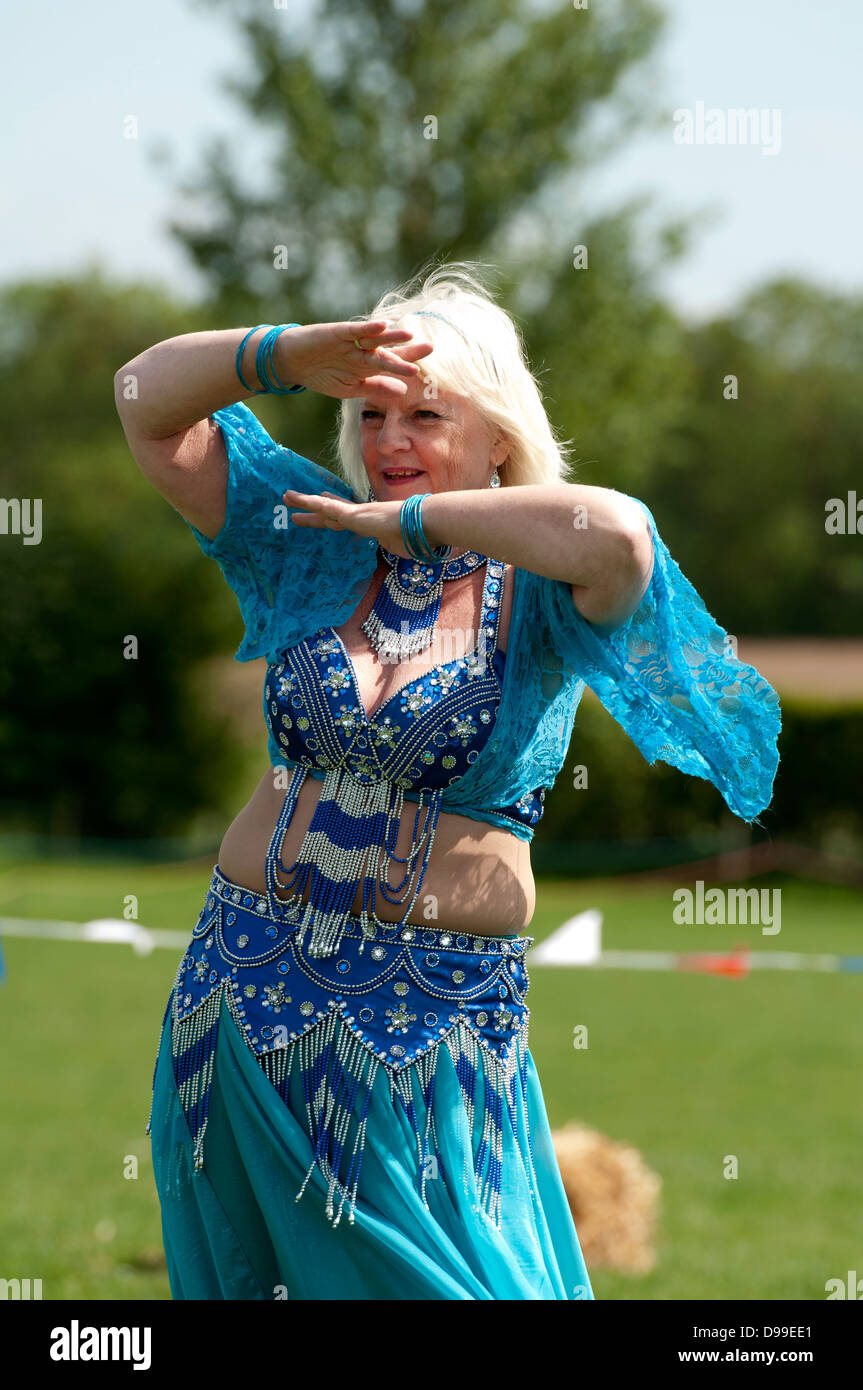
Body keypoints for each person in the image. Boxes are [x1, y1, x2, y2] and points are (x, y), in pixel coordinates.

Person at [114, 261, 781, 1301]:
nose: (389, 440)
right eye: (372, 412)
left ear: (498, 433)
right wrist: (284, 356)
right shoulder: (305, 536)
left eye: (426, 414)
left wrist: (422, 527)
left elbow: (618, 537)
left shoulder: (543, 589)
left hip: (429, 1041)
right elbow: (143, 404)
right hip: (241, 1004)